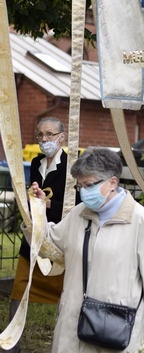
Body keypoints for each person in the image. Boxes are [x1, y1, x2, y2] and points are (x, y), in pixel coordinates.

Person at [27, 147, 144, 352]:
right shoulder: (79, 213)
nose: (84, 192)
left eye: (88, 185)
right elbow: (49, 243)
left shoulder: (139, 220)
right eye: (80, 186)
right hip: (73, 324)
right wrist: (37, 209)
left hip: (117, 327)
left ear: (112, 182)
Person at [8, 117, 72, 353]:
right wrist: (33, 196)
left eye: (49, 134)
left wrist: (48, 205)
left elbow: (77, 204)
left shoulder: (71, 165)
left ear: (62, 136)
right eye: (40, 135)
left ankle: (64, 343)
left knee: (66, 295)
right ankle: (11, 344)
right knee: (19, 288)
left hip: (60, 238)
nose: (44, 140)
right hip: (34, 236)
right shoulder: (36, 162)